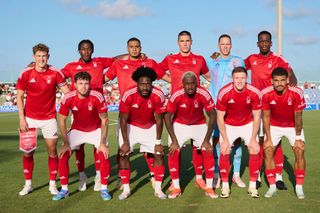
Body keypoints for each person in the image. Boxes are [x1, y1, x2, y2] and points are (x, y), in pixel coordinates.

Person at [105, 37, 169, 189]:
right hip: (127, 111)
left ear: (141, 48)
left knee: (152, 147)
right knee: (122, 147)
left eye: (137, 46)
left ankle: (154, 175)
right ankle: (122, 178)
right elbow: (103, 79)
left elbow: (165, 77)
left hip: (147, 110)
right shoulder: (119, 64)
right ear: (127, 48)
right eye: (131, 47)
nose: (134, 49)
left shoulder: (150, 63)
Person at [244, 30, 298, 189]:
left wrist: (293, 79)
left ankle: (278, 176)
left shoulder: (277, 58)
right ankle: (259, 175)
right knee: (260, 141)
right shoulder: (251, 59)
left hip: (273, 106)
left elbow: (290, 71)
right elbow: (237, 66)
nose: (264, 43)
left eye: (267, 41)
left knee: (277, 142)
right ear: (257, 43)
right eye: (261, 41)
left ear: (271, 43)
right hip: (256, 107)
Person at [61, 39, 116, 191]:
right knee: (78, 147)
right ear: (78, 50)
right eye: (83, 49)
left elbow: (116, 60)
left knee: (98, 145)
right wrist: (68, 93)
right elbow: (57, 76)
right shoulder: (71, 66)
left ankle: (99, 175)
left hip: (97, 108)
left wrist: (135, 56)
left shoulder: (99, 62)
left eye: (89, 49)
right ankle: (82, 176)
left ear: (93, 50)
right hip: (79, 109)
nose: (86, 51)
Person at [160, 30, 211, 191]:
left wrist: (217, 63)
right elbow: (158, 71)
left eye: (187, 40)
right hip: (177, 103)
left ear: (191, 42)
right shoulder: (170, 59)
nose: (185, 43)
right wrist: (172, 79)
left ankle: (199, 178)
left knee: (197, 146)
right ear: (178, 42)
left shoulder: (199, 59)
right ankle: (175, 181)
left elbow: (209, 76)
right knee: (176, 145)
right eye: (182, 40)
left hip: (194, 104)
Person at [16, 43, 69, 196]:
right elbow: (19, 96)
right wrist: (22, 118)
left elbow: (67, 92)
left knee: (52, 151)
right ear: (34, 57)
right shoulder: (25, 73)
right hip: (29, 119)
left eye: (44, 56)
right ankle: (28, 184)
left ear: (48, 57)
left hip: (49, 119)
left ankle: (52, 184)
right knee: (28, 152)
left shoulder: (55, 73)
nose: (41, 59)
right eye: (38, 56)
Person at [53, 71, 111, 201]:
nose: (83, 86)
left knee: (104, 154)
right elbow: (61, 120)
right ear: (74, 84)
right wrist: (66, 143)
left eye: (86, 83)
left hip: (95, 130)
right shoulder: (68, 97)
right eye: (80, 83)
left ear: (89, 84)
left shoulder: (97, 96)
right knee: (63, 155)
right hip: (77, 130)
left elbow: (104, 121)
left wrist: (102, 142)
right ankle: (64, 190)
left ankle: (104, 188)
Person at [164, 72, 218, 199]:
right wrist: (174, 140)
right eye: (187, 84)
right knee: (173, 151)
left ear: (197, 83)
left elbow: (212, 115)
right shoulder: (176, 94)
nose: (190, 86)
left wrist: (206, 140)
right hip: (180, 125)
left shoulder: (203, 93)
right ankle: (176, 187)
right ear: (183, 84)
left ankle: (209, 187)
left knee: (207, 150)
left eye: (193, 83)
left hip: (199, 124)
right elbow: (167, 117)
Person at [117, 66, 167, 200]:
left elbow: (159, 119)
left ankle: (158, 189)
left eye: (148, 84)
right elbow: (123, 119)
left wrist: (158, 142)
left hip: (149, 126)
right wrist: (126, 142)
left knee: (159, 154)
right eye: (142, 84)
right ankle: (126, 189)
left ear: (152, 84)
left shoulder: (158, 94)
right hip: (130, 126)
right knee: (123, 155)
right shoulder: (128, 94)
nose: (145, 87)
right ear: (137, 83)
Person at [206, 34, 246, 189]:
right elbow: (204, 73)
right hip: (217, 107)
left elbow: (242, 79)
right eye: (222, 44)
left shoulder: (238, 61)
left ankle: (235, 175)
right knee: (217, 141)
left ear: (231, 45)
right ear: (218, 45)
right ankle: (216, 173)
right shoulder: (211, 60)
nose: (225, 46)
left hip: (234, 106)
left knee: (236, 141)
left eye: (227, 44)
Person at [262, 67, 306, 199]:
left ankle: (299, 187)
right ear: (272, 81)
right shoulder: (266, 94)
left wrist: (298, 137)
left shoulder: (296, 93)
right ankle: (272, 186)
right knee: (268, 149)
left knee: (299, 150)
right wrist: (268, 138)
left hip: (292, 126)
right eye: (276, 81)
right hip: (274, 126)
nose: (279, 83)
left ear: (287, 80)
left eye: (282, 80)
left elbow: (298, 116)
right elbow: (266, 117)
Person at [217, 67, 261, 198]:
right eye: (237, 78)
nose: (240, 81)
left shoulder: (254, 92)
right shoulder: (224, 92)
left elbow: (257, 116)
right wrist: (225, 139)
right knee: (224, 150)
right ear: (232, 79)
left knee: (254, 148)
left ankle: (252, 187)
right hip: (229, 124)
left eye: (242, 78)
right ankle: (225, 186)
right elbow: (220, 117)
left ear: (246, 78)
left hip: (248, 123)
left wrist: (253, 138)